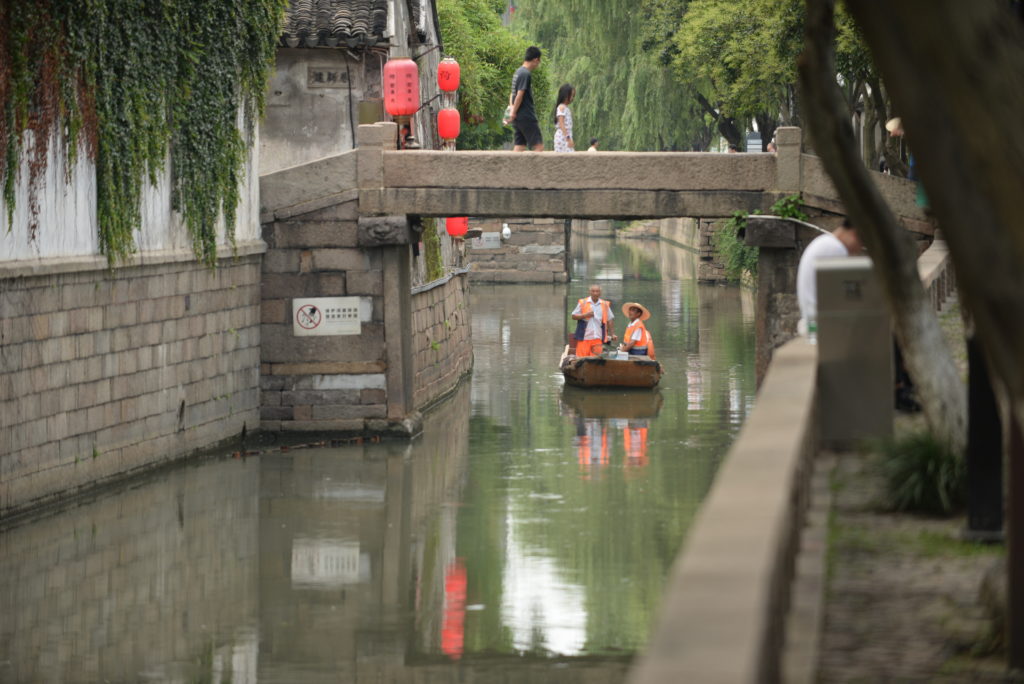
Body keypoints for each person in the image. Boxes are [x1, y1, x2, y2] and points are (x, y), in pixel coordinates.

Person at [796, 218, 863, 337]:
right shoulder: (835, 248)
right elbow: (847, 295)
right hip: (821, 327)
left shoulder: (824, 242)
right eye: (861, 242)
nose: (858, 249)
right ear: (854, 234)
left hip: (813, 322)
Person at [507, 46, 544, 152]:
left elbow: (512, 93)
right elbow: (519, 94)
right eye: (539, 61)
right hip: (526, 115)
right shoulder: (525, 74)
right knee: (538, 146)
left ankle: (512, 168)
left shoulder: (518, 72)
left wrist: (512, 109)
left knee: (520, 146)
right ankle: (535, 169)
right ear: (536, 59)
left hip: (518, 116)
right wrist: (513, 111)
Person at [571, 284, 616, 357]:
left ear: (600, 293)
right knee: (580, 359)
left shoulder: (604, 304)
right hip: (584, 337)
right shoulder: (583, 302)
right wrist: (585, 315)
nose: (595, 293)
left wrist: (613, 333)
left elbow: (610, 319)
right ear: (590, 292)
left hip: (597, 337)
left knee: (596, 361)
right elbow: (573, 316)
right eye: (593, 291)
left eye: (597, 291)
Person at [552, 83, 575, 152]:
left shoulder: (565, 108)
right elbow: (561, 124)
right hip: (562, 137)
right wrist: (568, 138)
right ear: (565, 96)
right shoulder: (561, 107)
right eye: (571, 95)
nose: (572, 98)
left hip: (565, 136)